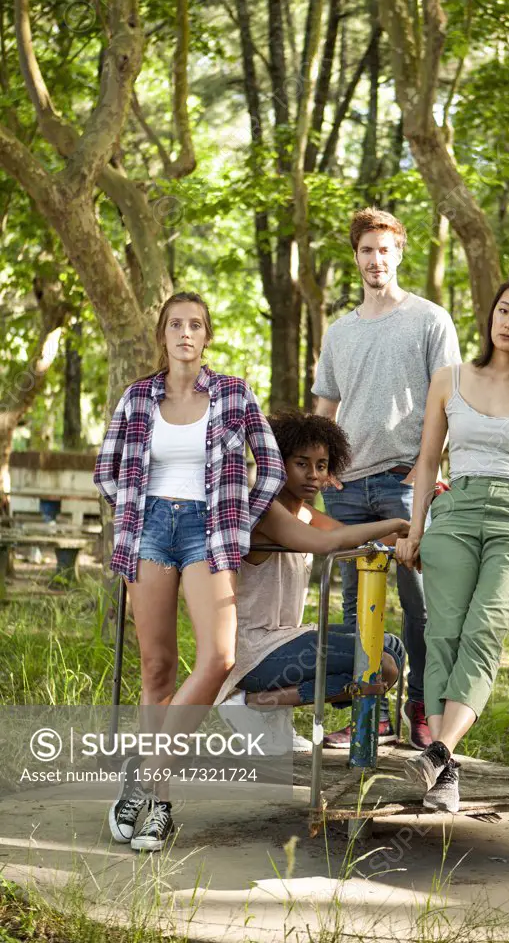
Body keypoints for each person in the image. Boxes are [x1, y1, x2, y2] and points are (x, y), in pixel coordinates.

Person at [94, 291, 286, 852]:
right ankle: (161, 806)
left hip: (209, 530)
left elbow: (269, 468)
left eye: (195, 325)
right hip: (149, 528)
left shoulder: (233, 394)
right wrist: (135, 510)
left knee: (218, 658)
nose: (185, 333)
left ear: (206, 337)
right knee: (156, 667)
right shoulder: (136, 398)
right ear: (163, 335)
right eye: (175, 324)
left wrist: (237, 522)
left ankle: (144, 776)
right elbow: (106, 472)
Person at [395, 270, 509, 814]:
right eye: (504, 310)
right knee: (443, 634)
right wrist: (414, 530)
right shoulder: (448, 379)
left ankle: (436, 752)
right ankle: (444, 771)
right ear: (491, 314)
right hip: (454, 513)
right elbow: (429, 461)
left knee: (484, 626)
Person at [313, 207, 460, 750]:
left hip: (406, 482)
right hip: (347, 488)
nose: (376, 260)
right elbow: (325, 408)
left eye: (385, 249)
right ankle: (368, 713)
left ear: (399, 253)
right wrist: (317, 472)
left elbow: (446, 405)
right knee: (355, 609)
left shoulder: (429, 320)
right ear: (356, 258)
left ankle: (423, 705)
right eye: (366, 251)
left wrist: (432, 473)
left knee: (419, 605)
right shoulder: (340, 332)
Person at [215, 411, 407, 745]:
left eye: (321, 465)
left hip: (286, 640)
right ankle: (248, 702)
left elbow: (351, 537)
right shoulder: (263, 509)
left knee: (391, 646)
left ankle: (264, 710)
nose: (313, 475)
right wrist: (395, 524)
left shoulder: (302, 512)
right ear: (276, 461)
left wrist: (413, 536)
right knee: (383, 665)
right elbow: (327, 542)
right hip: (255, 653)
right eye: (302, 464)